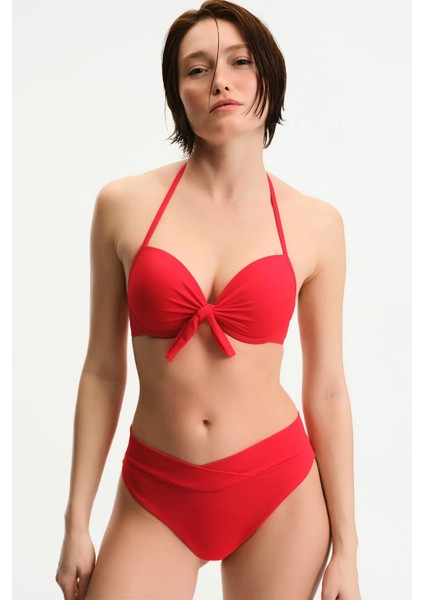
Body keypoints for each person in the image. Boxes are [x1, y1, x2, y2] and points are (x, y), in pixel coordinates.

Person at [55, 1, 361, 598]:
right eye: (197, 69)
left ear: (268, 76)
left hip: (279, 493)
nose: (220, 80)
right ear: (179, 96)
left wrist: (348, 548)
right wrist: (75, 521)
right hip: (155, 491)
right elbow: (101, 370)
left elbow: (327, 388)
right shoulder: (123, 206)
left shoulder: (316, 224)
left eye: (239, 62)